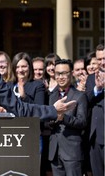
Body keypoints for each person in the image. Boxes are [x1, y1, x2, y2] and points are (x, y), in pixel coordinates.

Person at [47, 59, 87, 176]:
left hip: (72, 152)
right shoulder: (51, 96)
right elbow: (45, 121)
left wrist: (63, 117)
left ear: (71, 73)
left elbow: (82, 122)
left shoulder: (79, 96)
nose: (61, 77)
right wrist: (53, 119)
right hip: (54, 151)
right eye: (58, 73)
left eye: (64, 73)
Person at [8, 52, 45, 157]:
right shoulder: (8, 85)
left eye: (24, 66)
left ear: (30, 68)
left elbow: (40, 111)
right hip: (11, 135)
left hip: (31, 134)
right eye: (17, 67)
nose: (20, 70)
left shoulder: (37, 85)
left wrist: (25, 97)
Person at [85, 44, 104, 176]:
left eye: (104, 58)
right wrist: (97, 89)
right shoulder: (91, 78)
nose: (102, 62)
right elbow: (86, 100)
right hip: (95, 135)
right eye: (99, 59)